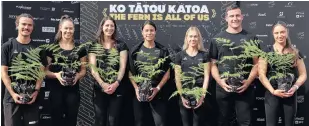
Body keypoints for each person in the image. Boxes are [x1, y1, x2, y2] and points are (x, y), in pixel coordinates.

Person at [209, 4, 258, 126]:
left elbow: (256, 64)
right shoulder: (217, 39)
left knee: (245, 122)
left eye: (237, 15)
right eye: (231, 16)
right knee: (223, 120)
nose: (234, 18)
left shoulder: (251, 38)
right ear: (226, 18)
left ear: (242, 17)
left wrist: (247, 82)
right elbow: (212, 64)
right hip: (223, 88)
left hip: (245, 88)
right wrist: (220, 82)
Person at [1, 13, 47, 126]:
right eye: (24, 24)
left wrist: (36, 92)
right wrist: (12, 93)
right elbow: (3, 73)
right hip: (12, 99)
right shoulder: (7, 47)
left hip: (32, 98)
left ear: (33, 27)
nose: (26, 27)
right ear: (17, 25)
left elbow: (41, 73)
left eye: (29, 25)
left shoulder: (38, 50)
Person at [258, 21, 307, 126]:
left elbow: (303, 74)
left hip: (290, 93)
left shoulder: (294, 52)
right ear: (273, 34)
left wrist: (295, 87)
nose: (280, 35)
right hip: (272, 94)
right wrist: (273, 91)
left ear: (287, 32)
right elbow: (261, 75)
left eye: (282, 32)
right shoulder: (266, 52)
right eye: (276, 33)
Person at [45, 15, 87, 126]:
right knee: (56, 120)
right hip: (55, 91)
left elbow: (83, 70)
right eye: (66, 28)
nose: (68, 31)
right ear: (60, 28)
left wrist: (78, 76)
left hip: (73, 91)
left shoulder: (80, 48)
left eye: (71, 28)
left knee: (71, 121)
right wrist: (56, 75)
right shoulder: (51, 48)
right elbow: (45, 71)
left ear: (74, 29)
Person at [128, 20, 171, 126]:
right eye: (146, 30)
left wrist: (158, 88)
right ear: (142, 32)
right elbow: (130, 72)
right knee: (140, 122)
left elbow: (167, 73)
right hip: (139, 94)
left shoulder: (163, 50)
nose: (149, 33)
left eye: (151, 30)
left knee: (160, 123)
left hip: (158, 94)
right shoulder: (135, 51)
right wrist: (136, 88)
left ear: (155, 31)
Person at [88, 16, 128, 126]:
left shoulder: (121, 45)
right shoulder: (94, 45)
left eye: (112, 26)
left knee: (113, 121)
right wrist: (103, 84)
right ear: (102, 27)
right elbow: (93, 68)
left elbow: (123, 67)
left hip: (117, 89)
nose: (109, 28)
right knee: (100, 120)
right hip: (99, 89)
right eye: (107, 25)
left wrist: (116, 83)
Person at [174, 26, 211, 126]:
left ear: (199, 38)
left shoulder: (204, 55)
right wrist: (182, 96)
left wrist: (202, 96)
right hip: (184, 95)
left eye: (195, 36)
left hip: (199, 95)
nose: (193, 39)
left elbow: (207, 76)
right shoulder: (179, 56)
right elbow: (177, 78)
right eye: (190, 36)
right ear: (186, 38)